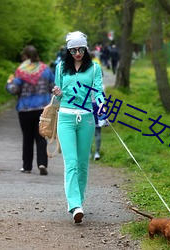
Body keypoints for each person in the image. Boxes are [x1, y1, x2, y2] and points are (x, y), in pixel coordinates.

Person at [52, 31, 105, 223]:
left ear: (86, 48)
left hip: (87, 119)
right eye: (73, 50)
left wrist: (102, 106)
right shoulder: (61, 68)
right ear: (68, 50)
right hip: (65, 118)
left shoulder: (94, 68)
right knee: (71, 163)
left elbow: (98, 90)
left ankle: (79, 201)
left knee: (83, 164)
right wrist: (57, 92)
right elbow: (58, 97)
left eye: (81, 49)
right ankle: (74, 205)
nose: (77, 53)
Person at [6, 45, 55, 175]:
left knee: (27, 138)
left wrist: (9, 83)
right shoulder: (46, 70)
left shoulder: (21, 71)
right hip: (42, 109)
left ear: (25, 57)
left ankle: (27, 166)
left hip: (25, 109)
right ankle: (42, 163)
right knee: (41, 137)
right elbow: (53, 87)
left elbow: (14, 90)